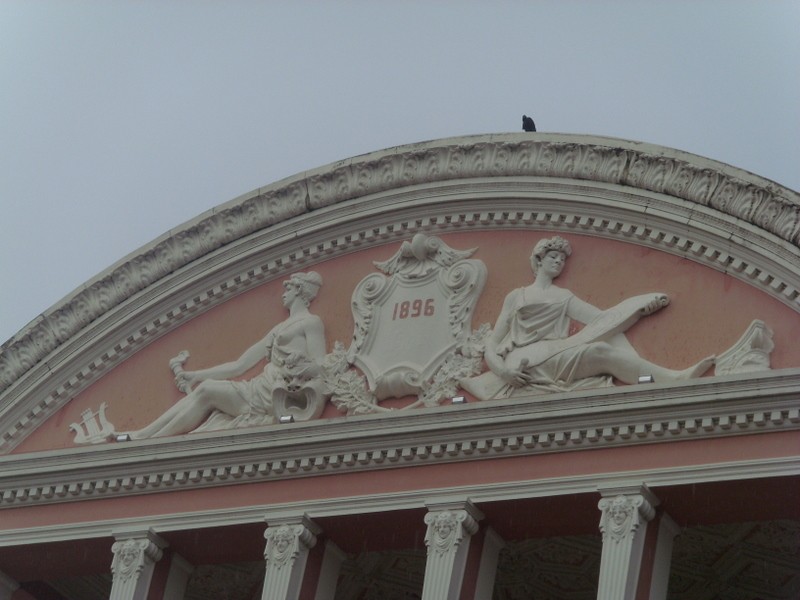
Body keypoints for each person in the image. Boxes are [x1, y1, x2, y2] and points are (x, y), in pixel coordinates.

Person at [461, 237, 715, 401]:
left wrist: (638, 309)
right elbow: (492, 347)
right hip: (524, 361)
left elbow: (603, 320)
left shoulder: (564, 297)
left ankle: (664, 376)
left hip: (556, 353)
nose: (558, 262)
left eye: (561, 260)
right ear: (538, 260)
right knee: (601, 351)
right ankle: (671, 378)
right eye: (553, 257)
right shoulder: (517, 296)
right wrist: (504, 372)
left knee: (602, 347)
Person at [117, 271, 327, 439]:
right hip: (258, 387)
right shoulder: (279, 328)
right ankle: (146, 434)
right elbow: (240, 365)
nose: (283, 293)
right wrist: (195, 375)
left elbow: (321, 365)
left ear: (299, 291)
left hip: (273, 395)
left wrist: (299, 365)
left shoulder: (311, 323)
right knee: (205, 387)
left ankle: (152, 439)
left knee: (207, 391)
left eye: (288, 288)